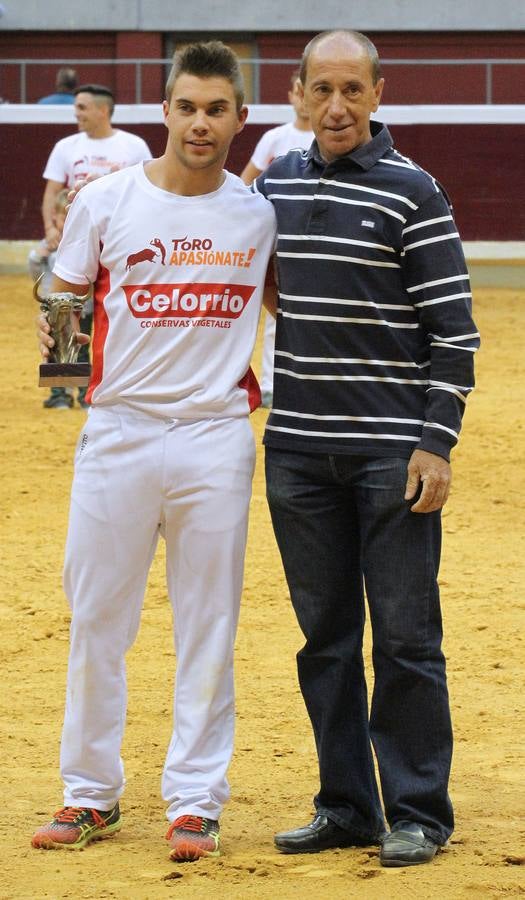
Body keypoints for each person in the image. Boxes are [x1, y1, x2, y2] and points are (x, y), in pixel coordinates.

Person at [31, 41, 276, 862]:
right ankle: (89, 794)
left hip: (215, 438)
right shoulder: (106, 199)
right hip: (119, 431)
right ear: (164, 113)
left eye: (217, 109)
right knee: (97, 617)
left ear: (240, 119)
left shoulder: (257, 214)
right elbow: (64, 291)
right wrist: (70, 386)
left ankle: (196, 802)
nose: (200, 122)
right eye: (187, 106)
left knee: (208, 623)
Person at [254, 30, 480, 868]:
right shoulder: (273, 183)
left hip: (392, 455)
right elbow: (263, 279)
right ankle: (346, 804)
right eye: (322, 90)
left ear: (378, 92)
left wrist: (434, 443)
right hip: (298, 451)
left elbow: (454, 333)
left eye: (353, 89)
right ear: (298, 94)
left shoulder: (412, 192)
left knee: (406, 639)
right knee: (325, 640)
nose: (337, 106)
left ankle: (418, 809)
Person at [40, 83, 152, 408]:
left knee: (111, 317)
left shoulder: (134, 146)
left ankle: (97, 389)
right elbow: (51, 193)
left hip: (118, 248)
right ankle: (61, 389)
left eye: (82, 107)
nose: (76, 113)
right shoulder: (65, 146)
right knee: (62, 313)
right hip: (75, 244)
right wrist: (50, 227)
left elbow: (147, 191)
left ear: (103, 110)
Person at [241, 73, 313, 408]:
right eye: (298, 92)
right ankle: (271, 384)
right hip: (277, 237)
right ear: (291, 96)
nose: (302, 99)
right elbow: (246, 183)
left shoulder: (324, 136)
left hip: (311, 238)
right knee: (275, 317)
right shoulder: (275, 138)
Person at [29, 188, 92, 409]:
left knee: (80, 349)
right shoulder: (50, 246)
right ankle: (59, 395)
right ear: (55, 218)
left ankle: (85, 394)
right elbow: (36, 268)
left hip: (82, 309)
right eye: (66, 217)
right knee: (55, 350)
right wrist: (41, 253)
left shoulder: (87, 244)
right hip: (54, 310)